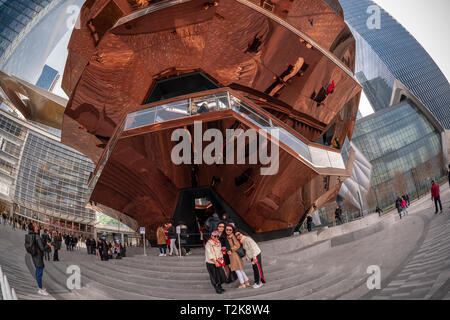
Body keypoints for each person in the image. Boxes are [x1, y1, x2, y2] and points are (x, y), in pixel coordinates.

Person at [25, 222, 50, 296]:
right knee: (39, 272)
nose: (37, 227)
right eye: (35, 226)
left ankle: (39, 286)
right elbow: (42, 248)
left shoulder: (31, 235)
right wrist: (48, 245)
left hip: (34, 255)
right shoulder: (37, 236)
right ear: (33, 228)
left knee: (37, 271)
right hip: (38, 256)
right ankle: (40, 289)